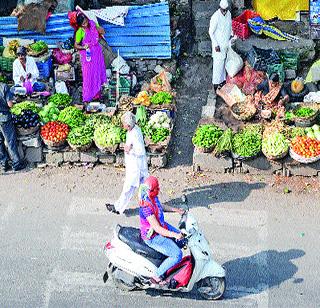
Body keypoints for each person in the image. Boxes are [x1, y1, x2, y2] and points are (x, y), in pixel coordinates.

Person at [139, 176, 184, 284]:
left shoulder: (152, 197)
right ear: (152, 190)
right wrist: (174, 235)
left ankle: (168, 264)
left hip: (162, 226)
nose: (158, 190)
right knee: (177, 254)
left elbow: (160, 206)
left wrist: (176, 210)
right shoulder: (146, 207)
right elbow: (157, 229)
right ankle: (156, 276)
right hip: (153, 236)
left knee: (183, 239)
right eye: (156, 188)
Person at [106, 112, 148, 215]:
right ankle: (150, 205)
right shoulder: (134, 129)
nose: (122, 125)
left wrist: (129, 149)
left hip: (136, 167)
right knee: (144, 188)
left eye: (123, 123)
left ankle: (118, 208)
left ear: (128, 125)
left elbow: (140, 151)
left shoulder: (135, 134)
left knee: (128, 188)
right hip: (137, 166)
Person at [74, 13, 107, 103]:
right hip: (87, 56)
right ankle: (88, 97)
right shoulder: (79, 32)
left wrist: (97, 28)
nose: (86, 24)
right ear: (80, 25)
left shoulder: (92, 24)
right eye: (83, 24)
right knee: (88, 75)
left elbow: (102, 32)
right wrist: (83, 47)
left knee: (97, 73)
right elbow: (76, 45)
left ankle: (97, 95)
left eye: (86, 22)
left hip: (96, 53)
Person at [0, 82, 26, 172]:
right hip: (4, 119)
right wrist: (14, 104)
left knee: (0, 142)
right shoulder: (4, 87)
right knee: (10, 141)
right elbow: (10, 104)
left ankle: (4, 164)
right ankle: (16, 164)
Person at [209, 0, 232, 90]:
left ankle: (222, 81)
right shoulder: (215, 17)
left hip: (225, 43)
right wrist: (215, 44)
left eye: (226, 10)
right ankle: (215, 84)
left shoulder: (228, 14)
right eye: (223, 10)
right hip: (218, 45)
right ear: (220, 8)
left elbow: (230, 27)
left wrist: (232, 36)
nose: (224, 12)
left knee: (223, 62)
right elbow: (211, 32)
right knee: (218, 64)